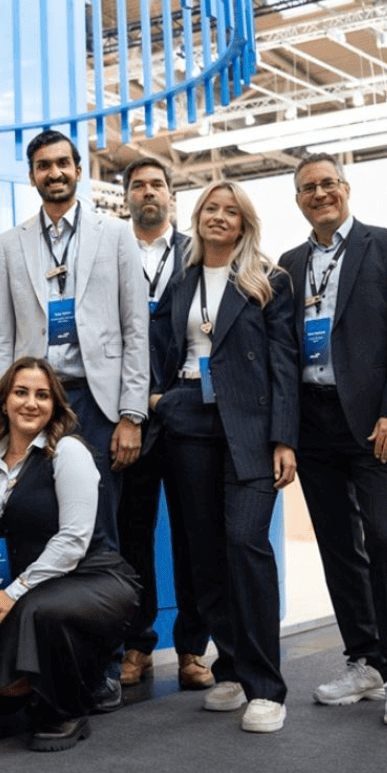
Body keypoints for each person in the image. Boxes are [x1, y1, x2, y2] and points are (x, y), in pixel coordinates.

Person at [0, 127, 149, 710]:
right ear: (31, 176)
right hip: (33, 405)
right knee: (34, 528)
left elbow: (135, 328)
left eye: (63, 163)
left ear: (79, 170)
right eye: (43, 165)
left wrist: (131, 414)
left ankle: (103, 662)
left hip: (98, 407)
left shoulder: (116, 235)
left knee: (99, 537)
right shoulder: (10, 244)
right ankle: (38, 655)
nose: (54, 172)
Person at [278, 155, 387, 726]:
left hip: (374, 423)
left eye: (328, 184)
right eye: (308, 188)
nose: (319, 194)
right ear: (298, 201)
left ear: (346, 189)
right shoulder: (291, 265)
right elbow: (285, 353)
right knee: (339, 546)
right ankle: (364, 659)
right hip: (315, 424)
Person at [149, 181, 299, 734]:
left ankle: (266, 687)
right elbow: (161, 342)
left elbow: (284, 362)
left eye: (229, 211)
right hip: (189, 419)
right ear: (196, 218)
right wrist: (160, 399)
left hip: (252, 429)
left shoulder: (268, 281)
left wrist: (285, 438)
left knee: (245, 545)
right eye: (210, 209)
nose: (218, 217)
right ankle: (231, 669)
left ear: (244, 224)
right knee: (206, 554)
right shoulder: (183, 281)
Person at [0, 358, 140, 752]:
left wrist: (12, 592)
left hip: (96, 578)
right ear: (3, 401)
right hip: (32, 584)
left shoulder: (67, 451)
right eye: (21, 392)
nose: (31, 403)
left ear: (55, 405)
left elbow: (74, 540)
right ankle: (51, 686)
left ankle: (67, 710)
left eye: (42, 395)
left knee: (36, 610)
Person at [115, 158, 213, 691]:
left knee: (193, 533)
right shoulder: (111, 252)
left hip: (187, 410)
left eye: (156, 184)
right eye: (137, 186)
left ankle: (193, 649)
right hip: (129, 415)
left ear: (172, 196)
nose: (147, 192)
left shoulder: (196, 253)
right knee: (131, 536)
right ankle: (137, 644)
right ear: (125, 196)